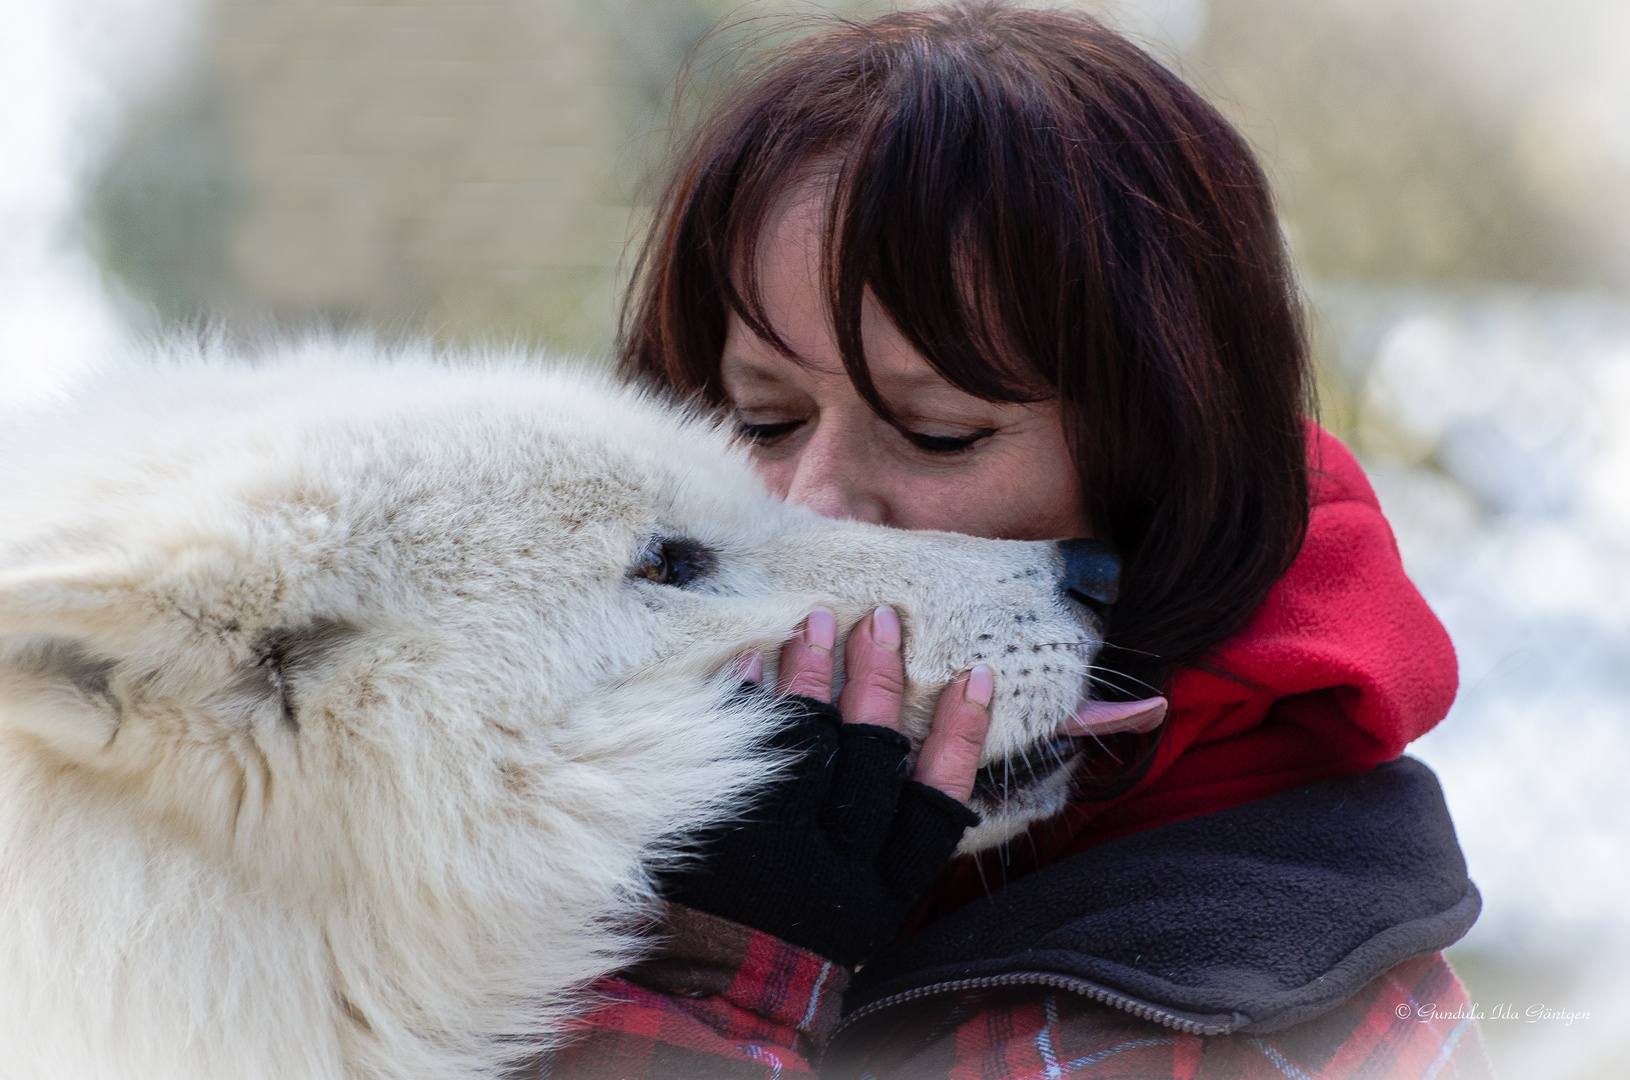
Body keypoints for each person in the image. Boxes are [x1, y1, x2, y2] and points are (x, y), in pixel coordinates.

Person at [536, 4, 1491, 1077]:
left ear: (1161, 454)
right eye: (762, 418)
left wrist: (722, 983)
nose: (812, 506)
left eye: (938, 434)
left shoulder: (1227, 1014)